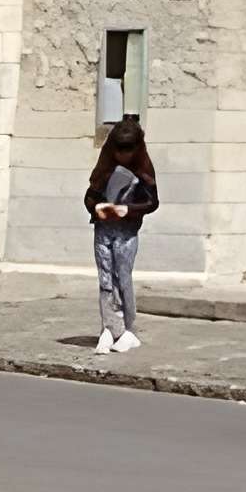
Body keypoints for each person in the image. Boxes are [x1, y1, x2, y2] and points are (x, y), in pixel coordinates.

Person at [85, 115, 158, 354]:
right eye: (120, 151)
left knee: (122, 277)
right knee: (105, 279)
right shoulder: (105, 167)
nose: (123, 156)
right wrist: (96, 208)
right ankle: (109, 327)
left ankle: (129, 329)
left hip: (126, 233)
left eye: (128, 151)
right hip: (104, 230)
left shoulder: (143, 168)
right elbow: (91, 194)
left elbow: (152, 202)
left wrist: (127, 210)